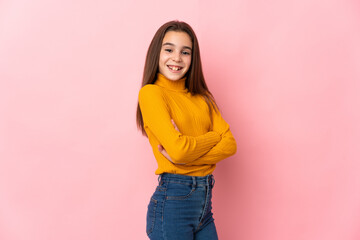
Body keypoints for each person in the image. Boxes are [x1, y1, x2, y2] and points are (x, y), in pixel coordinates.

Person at [136, 20, 237, 240]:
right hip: (173, 206)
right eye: (169, 49)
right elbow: (180, 151)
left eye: (185, 52)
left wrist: (185, 156)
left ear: (193, 58)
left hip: (204, 205)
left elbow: (230, 144)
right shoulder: (152, 94)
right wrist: (213, 137)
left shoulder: (203, 98)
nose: (177, 58)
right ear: (157, 53)